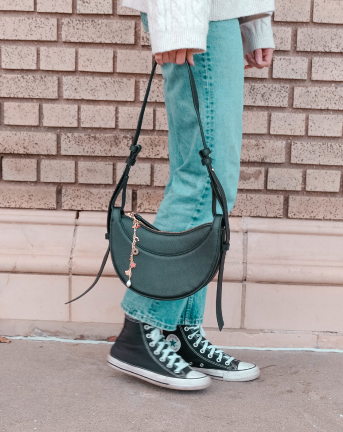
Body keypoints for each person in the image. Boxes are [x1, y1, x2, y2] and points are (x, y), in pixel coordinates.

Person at [108, 0, 275, 390]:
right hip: (195, 14)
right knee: (201, 183)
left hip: (218, 13)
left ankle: (177, 331)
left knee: (210, 184)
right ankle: (140, 329)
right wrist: (177, 19)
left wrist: (253, 23)